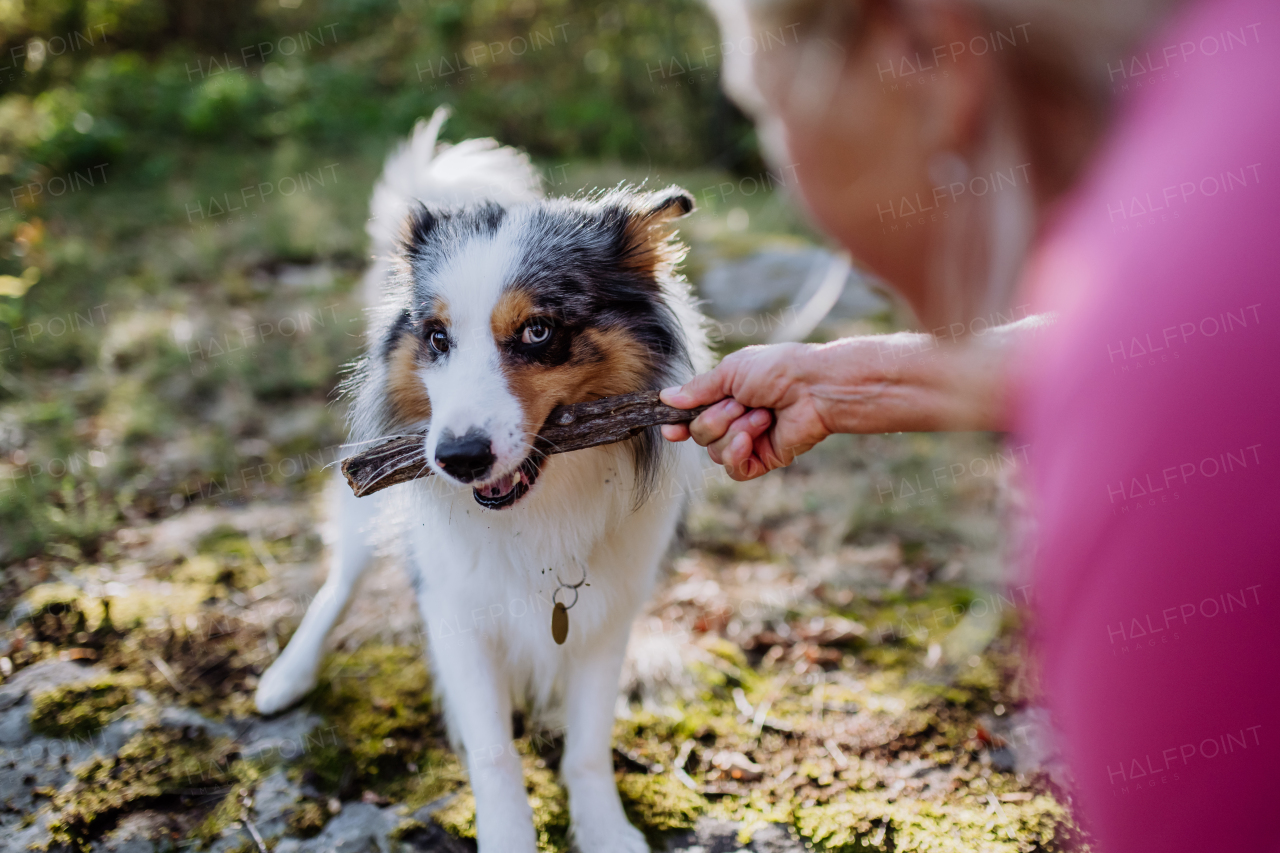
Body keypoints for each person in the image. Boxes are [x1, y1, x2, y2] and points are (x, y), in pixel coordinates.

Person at [662, 0, 1280, 850]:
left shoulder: (1173, 383)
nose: (788, 173)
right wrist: (847, 382)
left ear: (925, 51)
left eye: (767, 115)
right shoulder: (1231, 95)